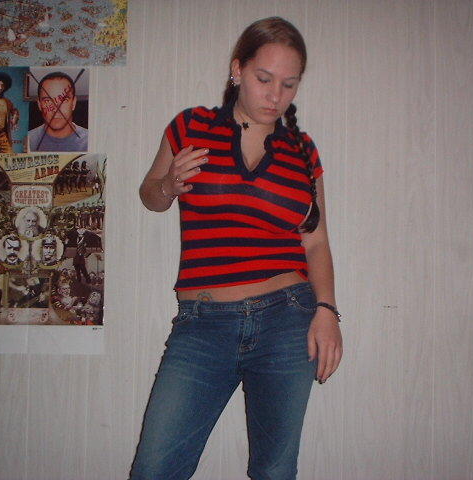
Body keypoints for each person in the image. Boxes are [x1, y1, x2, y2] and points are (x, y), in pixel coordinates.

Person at [130, 17, 342, 480]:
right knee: (154, 468)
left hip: (287, 319)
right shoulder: (191, 126)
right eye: (264, 79)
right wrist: (169, 184)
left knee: (274, 471)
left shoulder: (302, 150)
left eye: (289, 84)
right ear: (237, 70)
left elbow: (316, 240)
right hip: (202, 324)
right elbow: (150, 197)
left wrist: (327, 310)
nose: (275, 95)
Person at [28, 71, 88, 152]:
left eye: (64, 100)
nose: (56, 109)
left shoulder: (90, 140)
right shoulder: (28, 141)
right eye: (47, 101)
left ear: (73, 103)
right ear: (39, 105)